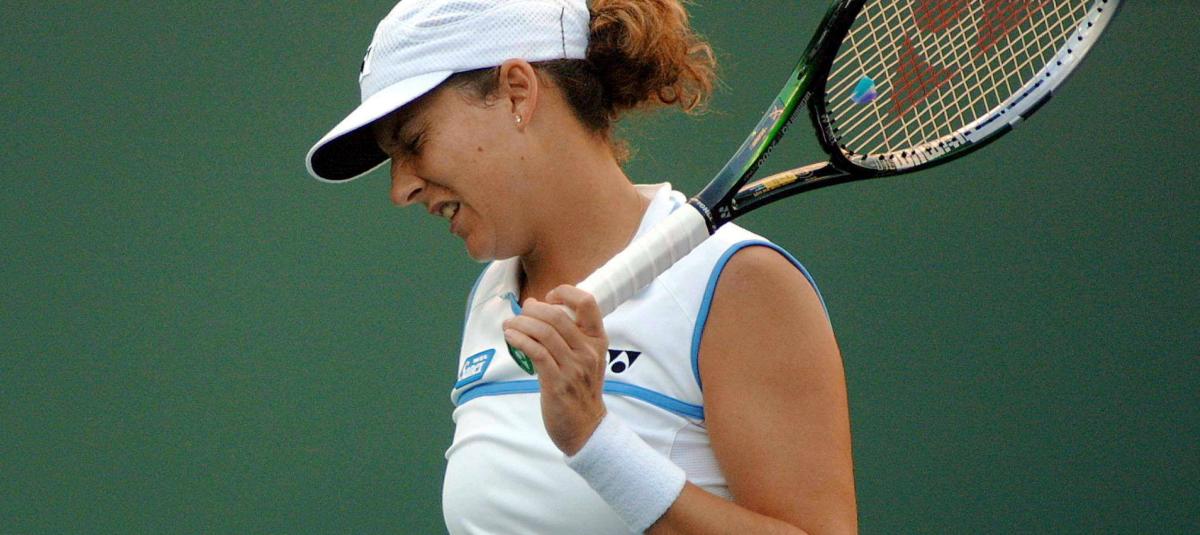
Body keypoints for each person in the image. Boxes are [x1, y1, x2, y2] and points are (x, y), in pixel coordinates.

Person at [306, 0, 857, 533]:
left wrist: (596, 443)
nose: (400, 188)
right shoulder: (492, 297)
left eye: (413, 141)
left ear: (517, 91)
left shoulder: (738, 282)